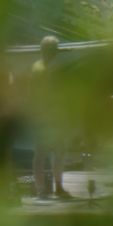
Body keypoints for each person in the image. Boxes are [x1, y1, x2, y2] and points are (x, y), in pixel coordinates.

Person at [28, 35, 69, 199]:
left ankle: (44, 188)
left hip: (45, 116)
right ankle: (54, 186)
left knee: (44, 153)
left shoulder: (36, 67)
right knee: (54, 152)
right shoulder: (49, 70)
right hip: (50, 116)